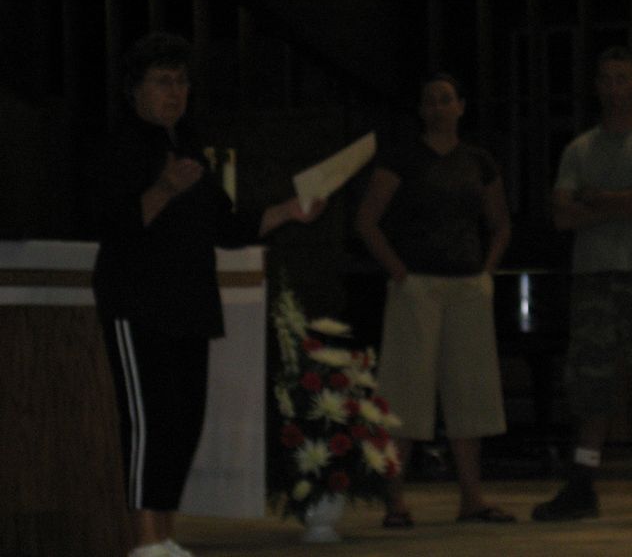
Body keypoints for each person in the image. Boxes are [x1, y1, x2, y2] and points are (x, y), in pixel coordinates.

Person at [91, 32, 324, 557]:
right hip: (138, 302)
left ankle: (165, 535)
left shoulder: (188, 145)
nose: (175, 92)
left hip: (189, 303)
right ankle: (144, 541)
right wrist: (165, 188)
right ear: (135, 89)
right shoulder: (120, 145)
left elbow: (227, 225)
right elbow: (113, 224)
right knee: (149, 423)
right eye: (163, 81)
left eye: (182, 82)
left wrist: (290, 210)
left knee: (183, 422)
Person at [531, 46, 632, 524]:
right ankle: (582, 484)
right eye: (606, 79)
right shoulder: (579, 149)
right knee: (590, 380)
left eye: (623, 79)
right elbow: (562, 215)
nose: (615, 88)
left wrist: (597, 200)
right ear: (597, 87)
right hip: (593, 276)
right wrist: (621, 203)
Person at [356, 72, 515, 527]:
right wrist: (399, 271)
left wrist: (486, 272)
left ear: (461, 106)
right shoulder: (402, 157)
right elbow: (367, 220)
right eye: (430, 101)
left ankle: (472, 499)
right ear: (421, 110)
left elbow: (501, 223)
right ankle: (395, 501)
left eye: (446, 100)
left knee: (470, 393)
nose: (439, 108)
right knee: (405, 391)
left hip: (467, 287)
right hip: (418, 286)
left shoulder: (478, 161)